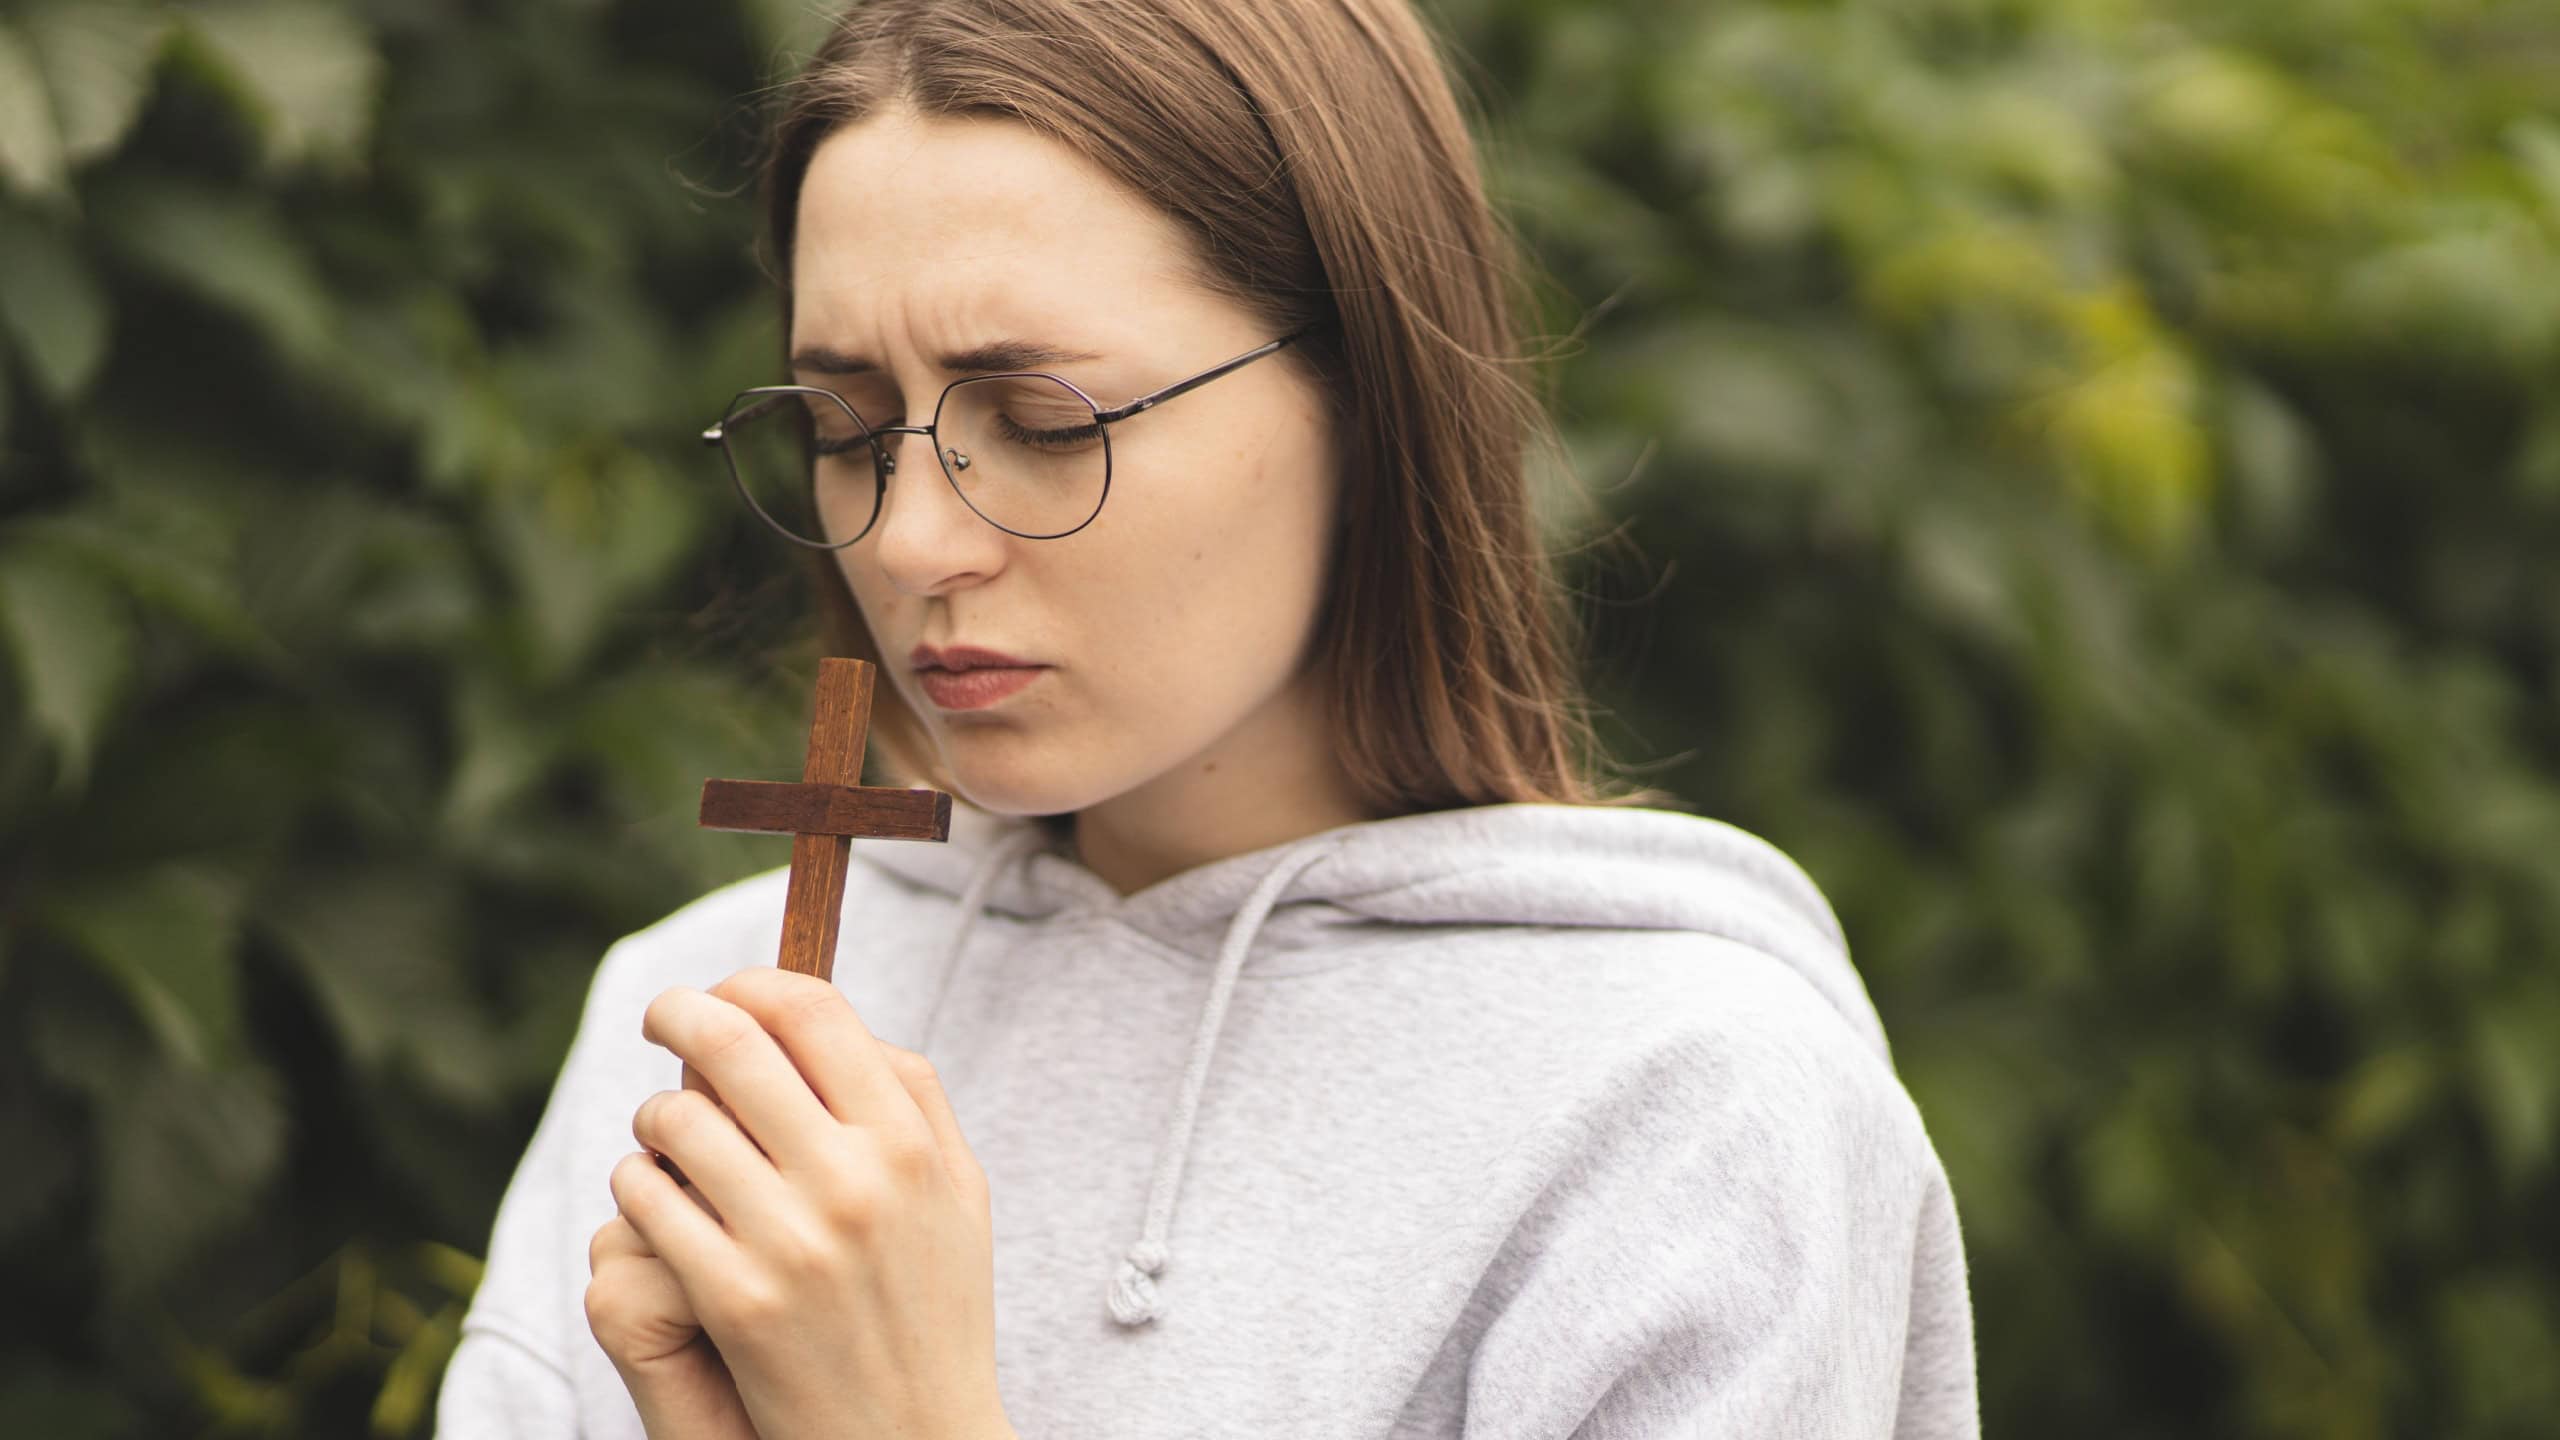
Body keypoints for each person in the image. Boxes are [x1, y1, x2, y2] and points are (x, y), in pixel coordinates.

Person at [434, 0, 1982, 1435]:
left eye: (1045, 423)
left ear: (1368, 405)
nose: (909, 540)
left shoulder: (1686, 1107)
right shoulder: (702, 1023)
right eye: (844, 427)